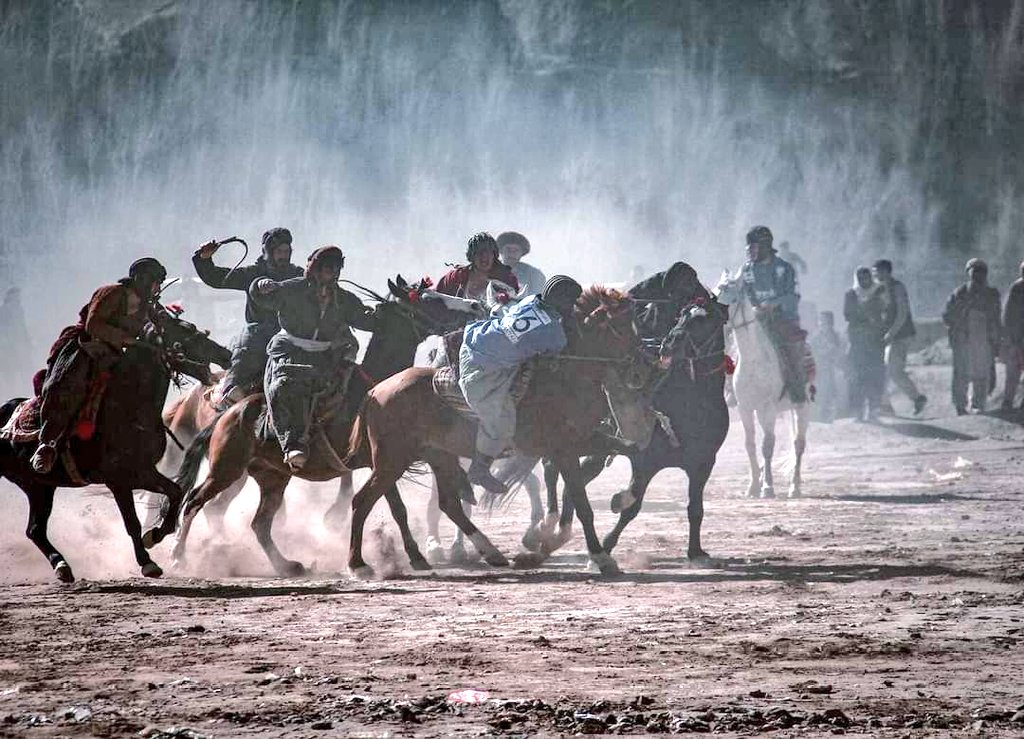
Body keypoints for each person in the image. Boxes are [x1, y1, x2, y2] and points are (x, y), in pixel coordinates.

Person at [30, 258, 167, 473]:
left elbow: (155, 330)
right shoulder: (112, 292)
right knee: (69, 383)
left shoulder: (146, 308)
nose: (157, 288)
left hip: (112, 354)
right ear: (143, 279)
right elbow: (93, 325)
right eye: (155, 282)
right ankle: (46, 443)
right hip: (84, 346)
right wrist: (127, 340)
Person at [250, 246, 375, 470]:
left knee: (360, 384)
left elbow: (365, 320)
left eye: (336, 270)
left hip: (327, 355)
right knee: (285, 386)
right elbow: (262, 296)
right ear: (316, 269)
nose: (332, 274)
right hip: (291, 351)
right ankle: (292, 444)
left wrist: (390, 312)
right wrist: (260, 285)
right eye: (328, 269)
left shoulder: (343, 299)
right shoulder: (293, 289)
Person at [458, 275, 582, 493]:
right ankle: (479, 468)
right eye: (571, 303)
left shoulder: (531, 300)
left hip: (473, 338)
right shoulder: (553, 332)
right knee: (503, 421)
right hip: (481, 371)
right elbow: (561, 349)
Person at [192, 228, 303, 407]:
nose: (284, 256)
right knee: (242, 362)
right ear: (268, 252)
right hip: (258, 334)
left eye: (287, 251)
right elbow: (217, 278)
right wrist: (204, 259)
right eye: (279, 251)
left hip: (291, 334)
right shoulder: (252, 273)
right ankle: (227, 396)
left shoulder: (298, 275)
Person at [739, 225, 809, 403]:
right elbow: (745, 293)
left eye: (754, 247)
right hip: (757, 319)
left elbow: (793, 296)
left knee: (790, 350)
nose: (750, 251)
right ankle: (734, 389)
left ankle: (797, 391)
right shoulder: (746, 270)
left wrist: (773, 304)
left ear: (765, 246)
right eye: (749, 247)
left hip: (783, 319)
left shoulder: (785, 269)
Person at [942, 258, 1002, 415]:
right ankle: (960, 406)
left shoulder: (992, 294)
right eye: (974, 271)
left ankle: (978, 404)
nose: (978, 275)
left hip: (983, 339)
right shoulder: (960, 293)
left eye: (981, 271)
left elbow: (996, 318)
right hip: (964, 338)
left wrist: (996, 340)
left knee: (982, 373)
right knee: (961, 373)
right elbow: (947, 315)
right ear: (968, 273)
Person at [872, 259, 927, 415]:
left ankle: (915, 398)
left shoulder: (897, 288)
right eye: (874, 272)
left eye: (878, 271)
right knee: (885, 370)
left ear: (887, 271)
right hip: (887, 337)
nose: (876, 275)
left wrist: (891, 333)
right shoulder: (878, 290)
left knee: (893, 370)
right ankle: (886, 405)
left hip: (900, 335)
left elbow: (902, 314)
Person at [843, 267, 886, 421]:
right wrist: (867, 318)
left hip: (875, 343)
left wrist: (866, 318)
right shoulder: (851, 294)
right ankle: (858, 412)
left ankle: (874, 410)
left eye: (867, 277)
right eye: (861, 278)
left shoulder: (879, 291)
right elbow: (848, 315)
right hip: (857, 343)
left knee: (875, 377)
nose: (864, 281)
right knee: (857, 377)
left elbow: (884, 311)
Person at [628, 261, 712, 340]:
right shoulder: (657, 282)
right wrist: (637, 325)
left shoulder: (696, 288)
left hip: (680, 336)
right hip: (650, 329)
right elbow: (632, 297)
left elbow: (710, 309)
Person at [437, 232, 519, 300]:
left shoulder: (506, 278)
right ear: (472, 256)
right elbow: (435, 296)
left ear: (494, 255)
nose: (484, 256)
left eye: (488, 252)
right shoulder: (457, 277)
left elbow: (516, 307)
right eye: (479, 252)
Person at [809, 310, 844, 422]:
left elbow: (838, 351)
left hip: (831, 369)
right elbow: (812, 350)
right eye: (822, 321)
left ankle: (826, 414)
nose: (823, 324)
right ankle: (818, 415)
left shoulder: (835, 336)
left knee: (829, 391)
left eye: (826, 321)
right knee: (818, 392)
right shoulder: (816, 336)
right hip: (819, 367)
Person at [0, 287, 33, 396]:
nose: (18, 297)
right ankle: (14, 393)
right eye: (17, 295)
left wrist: (27, 341)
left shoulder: (15, 308)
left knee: (15, 371)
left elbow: (22, 328)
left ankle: (16, 392)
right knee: (15, 370)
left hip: (16, 346)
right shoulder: (7, 309)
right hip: (12, 346)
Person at [1001, 260, 1024, 410]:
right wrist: (1009, 335)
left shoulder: (1017, 287)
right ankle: (1008, 402)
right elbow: (1008, 314)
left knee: (1013, 372)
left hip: (1017, 337)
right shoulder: (1017, 288)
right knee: (1013, 372)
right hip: (1017, 338)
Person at [496, 231, 546, 296]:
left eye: (516, 250)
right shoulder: (487, 272)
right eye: (508, 249)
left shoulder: (534, 275)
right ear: (501, 251)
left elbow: (538, 300)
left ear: (522, 253)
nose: (511, 253)